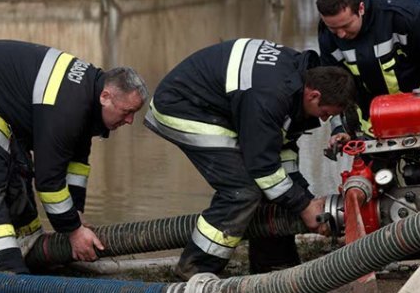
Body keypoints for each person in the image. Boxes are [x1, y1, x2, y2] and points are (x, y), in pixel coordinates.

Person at [0, 40, 148, 274]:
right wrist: (73, 231)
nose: (130, 121)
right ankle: (3, 270)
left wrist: (76, 216)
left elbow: (76, 163)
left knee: (20, 168)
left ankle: (30, 247)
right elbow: (49, 182)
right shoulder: (68, 109)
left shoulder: (87, 97)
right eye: (127, 112)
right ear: (105, 96)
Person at [144, 38, 356, 279]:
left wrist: (305, 198)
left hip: (218, 104)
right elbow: (263, 168)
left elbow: (280, 153)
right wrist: (304, 206)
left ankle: (274, 266)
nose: (325, 120)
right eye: (325, 113)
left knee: (273, 186)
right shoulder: (271, 98)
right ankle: (194, 271)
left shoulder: (297, 82)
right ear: (314, 95)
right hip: (182, 107)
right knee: (242, 190)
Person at [316, 0, 420, 144]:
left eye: (346, 26)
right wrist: (340, 128)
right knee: (375, 168)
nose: (340, 35)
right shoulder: (327, 35)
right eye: (334, 29)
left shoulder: (405, 15)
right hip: (372, 121)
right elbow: (334, 87)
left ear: (360, 9)